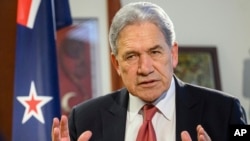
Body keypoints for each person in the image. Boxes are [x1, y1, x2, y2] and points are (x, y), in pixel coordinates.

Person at [52, 2, 247, 141]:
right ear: (116, 63)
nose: (145, 68)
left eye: (155, 52)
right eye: (131, 56)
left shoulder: (226, 111)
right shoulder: (84, 119)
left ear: (173, 54)